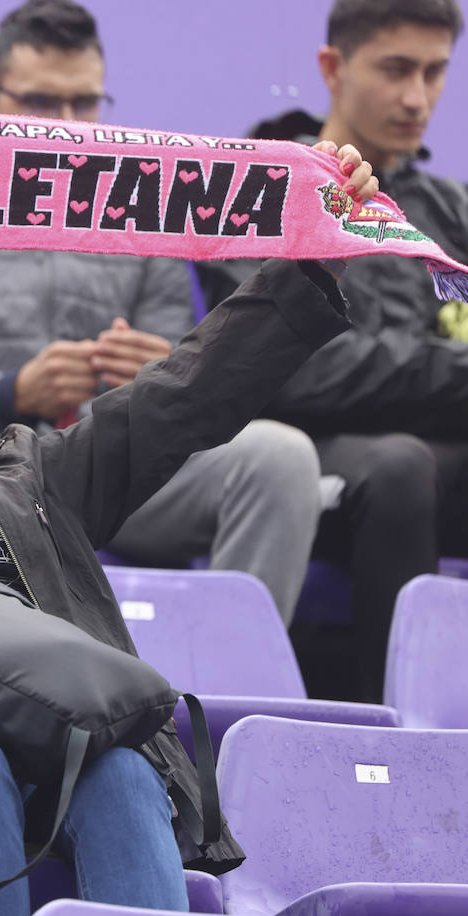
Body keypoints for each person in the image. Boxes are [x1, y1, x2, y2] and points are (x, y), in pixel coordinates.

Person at [0, 140, 378, 914]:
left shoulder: (30, 477)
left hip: (53, 724)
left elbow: (177, 399)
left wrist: (306, 269)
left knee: (122, 769)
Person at [0, 0, 324, 624]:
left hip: (114, 462)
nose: (72, 125)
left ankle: (224, 688)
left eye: (86, 103)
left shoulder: (144, 212)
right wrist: (11, 392)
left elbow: (186, 374)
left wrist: (162, 371)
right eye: (45, 103)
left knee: (280, 457)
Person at [196, 0, 468, 701]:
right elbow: (296, 370)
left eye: (435, 71)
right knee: (401, 466)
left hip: (434, 453)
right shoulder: (263, 190)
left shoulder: (450, 210)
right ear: (331, 67)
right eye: (396, 69)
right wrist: (453, 374)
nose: (418, 97)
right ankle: (398, 739)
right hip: (313, 450)